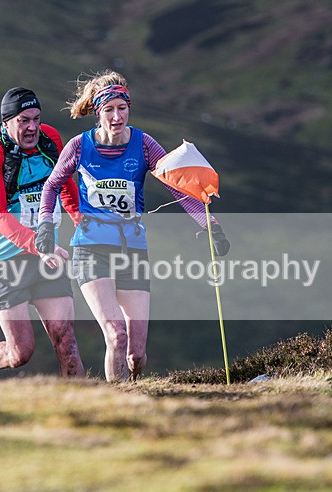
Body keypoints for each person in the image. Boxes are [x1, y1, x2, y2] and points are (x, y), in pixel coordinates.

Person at [36, 70, 229, 382]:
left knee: (136, 353)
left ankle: (134, 389)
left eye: (122, 108)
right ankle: (119, 407)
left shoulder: (143, 144)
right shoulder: (79, 146)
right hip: (90, 249)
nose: (116, 117)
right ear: (98, 112)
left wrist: (211, 225)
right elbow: (51, 186)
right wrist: (46, 226)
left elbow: (178, 187)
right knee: (116, 334)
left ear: (129, 109)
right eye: (109, 110)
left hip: (132, 250)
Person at [0, 87, 85, 383]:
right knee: (19, 353)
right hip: (4, 259)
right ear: (7, 122)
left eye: (37, 119)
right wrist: (40, 246)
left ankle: (82, 411)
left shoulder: (50, 139)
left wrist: (82, 222)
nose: (32, 128)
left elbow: (63, 184)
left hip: (45, 254)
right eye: (24, 120)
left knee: (66, 341)